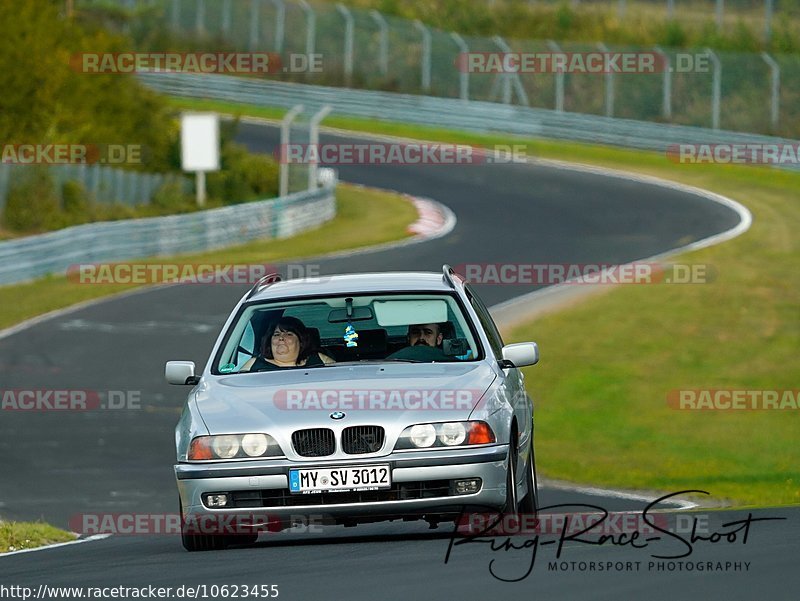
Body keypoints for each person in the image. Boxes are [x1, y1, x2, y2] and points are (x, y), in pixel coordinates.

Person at [241, 316, 334, 372]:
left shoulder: (320, 360)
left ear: (301, 341)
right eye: (276, 334)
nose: (281, 338)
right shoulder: (254, 364)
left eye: (288, 334)